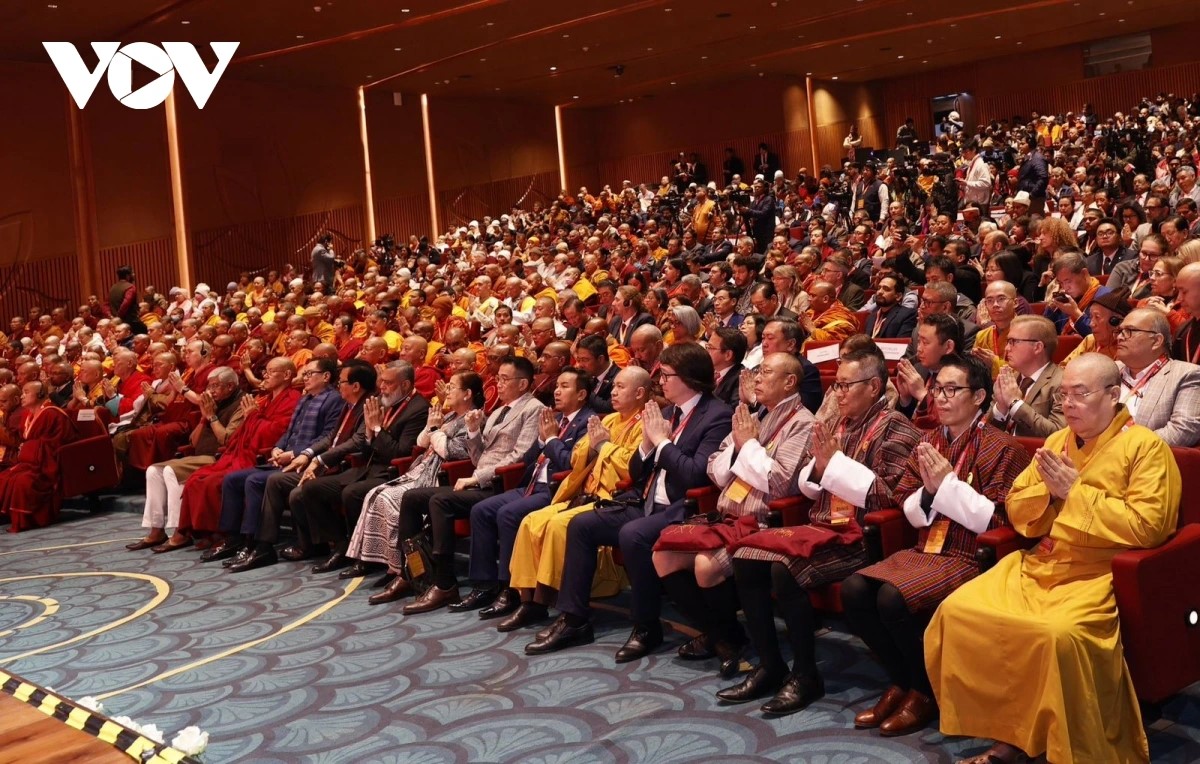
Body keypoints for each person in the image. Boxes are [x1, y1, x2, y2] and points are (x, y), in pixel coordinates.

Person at [927, 353, 1181, 764]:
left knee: (1056, 634)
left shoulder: (1147, 448)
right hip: (1043, 561)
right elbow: (1017, 508)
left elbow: (1149, 526)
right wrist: (1048, 492)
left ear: (1113, 395)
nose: (1068, 404)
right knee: (959, 611)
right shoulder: (1055, 441)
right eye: (1063, 395)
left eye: (1080, 393)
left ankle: (1066, 744)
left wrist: (1075, 493)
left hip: (1099, 570)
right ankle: (1009, 734)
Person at [716, 349, 920, 714]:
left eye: (845, 385)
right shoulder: (839, 423)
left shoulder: (897, 427)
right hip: (823, 525)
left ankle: (806, 675)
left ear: (874, 387)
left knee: (784, 569)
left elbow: (891, 496)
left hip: (862, 535)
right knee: (745, 557)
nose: (837, 393)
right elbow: (808, 484)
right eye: (836, 385)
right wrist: (822, 468)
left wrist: (834, 465)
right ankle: (771, 665)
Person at [841, 354, 1030, 737]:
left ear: (979, 397)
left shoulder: (1004, 447)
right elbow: (908, 506)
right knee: (854, 589)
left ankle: (925, 692)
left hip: (969, 554)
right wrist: (931, 491)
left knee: (891, 598)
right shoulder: (929, 441)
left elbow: (999, 521)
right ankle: (902, 679)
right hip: (926, 546)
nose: (940, 398)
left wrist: (947, 485)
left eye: (951, 390)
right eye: (937, 389)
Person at [525, 343, 732, 660]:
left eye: (667, 375)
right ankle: (574, 620)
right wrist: (647, 446)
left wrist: (660, 442)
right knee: (581, 525)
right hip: (644, 499)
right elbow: (636, 472)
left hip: (683, 507)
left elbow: (694, 475)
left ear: (689, 378)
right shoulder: (666, 413)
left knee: (632, 534)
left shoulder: (716, 415)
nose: (661, 382)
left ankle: (646, 627)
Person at [653, 353, 814, 678]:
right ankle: (724, 636)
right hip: (726, 516)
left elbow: (779, 483)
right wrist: (742, 448)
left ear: (789, 382)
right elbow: (714, 468)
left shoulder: (803, 423)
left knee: (705, 565)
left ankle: (724, 639)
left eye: (766, 372)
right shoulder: (751, 416)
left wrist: (747, 445)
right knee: (663, 555)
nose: (757, 378)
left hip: (764, 522)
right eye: (757, 371)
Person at [384, 356, 545, 613]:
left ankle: (445, 583)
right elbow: (479, 458)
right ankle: (413, 572)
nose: (498, 384)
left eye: (505, 379)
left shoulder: (533, 408)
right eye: (498, 378)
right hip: (480, 480)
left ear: (523, 384)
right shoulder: (497, 412)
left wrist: (476, 478)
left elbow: (521, 456)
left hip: (501, 484)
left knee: (440, 501)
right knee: (412, 497)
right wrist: (472, 431)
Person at [452, 367, 593, 617]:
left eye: (564, 386)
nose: (557, 391)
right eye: (557, 385)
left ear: (581, 394)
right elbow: (528, 459)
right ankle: (484, 585)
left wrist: (551, 440)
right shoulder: (554, 419)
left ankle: (511, 590)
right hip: (531, 484)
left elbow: (571, 464)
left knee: (507, 514)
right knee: (481, 510)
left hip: (557, 490)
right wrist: (541, 441)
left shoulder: (588, 422)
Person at [289, 361, 429, 573]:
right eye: (382, 382)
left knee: (352, 493)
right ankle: (341, 546)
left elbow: (399, 453)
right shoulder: (382, 402)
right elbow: (363, 441)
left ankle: (366, 557)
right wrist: (371, 434)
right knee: (312, 488)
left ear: (406, 385)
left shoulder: (418, 409)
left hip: (392, 473)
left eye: (388, 383)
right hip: (365, 468)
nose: (382, 387)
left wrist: (376, 429)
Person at [353, 372, 481, 602]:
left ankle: (409, 571)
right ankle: (404, 570)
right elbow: (421, 442)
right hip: (421, 469)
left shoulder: (473, 418)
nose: (447, 391)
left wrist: (435, 431)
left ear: (467, 394)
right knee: (376, 494)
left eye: (452, 387)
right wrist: (432, 428)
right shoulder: (449, 415)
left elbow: (452, 451)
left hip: (438, 476)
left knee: (391, 500)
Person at [210, 359, 342, 568]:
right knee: (232, 479)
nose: (305, 378)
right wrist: (277, 448)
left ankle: (256, 544)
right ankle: (234, 538)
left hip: (307, 463)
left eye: (309, 374)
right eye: (304, 374)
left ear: (326, 376)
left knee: (255, 481)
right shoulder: (305, 399)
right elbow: (289, 433)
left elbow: (329, 437)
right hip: (285, 459)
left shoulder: (334, 400)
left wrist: (295, 453)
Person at [129, 367, 245, 552]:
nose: (210, 391)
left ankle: (180, 532)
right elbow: (193, 442)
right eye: (209, 386)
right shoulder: (212, 403)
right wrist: (203, 419)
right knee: (153, 471)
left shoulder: (240, 404)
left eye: (215, 386)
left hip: (220, 458)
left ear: (230, 386)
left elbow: (227, 439)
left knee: (171, 471)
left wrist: (212, 416)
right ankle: (156, 530)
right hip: (199, 456)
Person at [1114, 308, 1200, 446]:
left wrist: (1123, 447)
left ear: (1156, 341)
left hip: (1139, 456)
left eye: (1129, 331)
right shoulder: (1109, 369)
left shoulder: (1187, 374)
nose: (1119, 337)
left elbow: (1182, 431)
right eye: (1120, 331)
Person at [0, 381, 76, 529]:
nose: (22, 396)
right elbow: (24, 440)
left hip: (46, 464)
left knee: (23, 482)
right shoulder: (26, 415)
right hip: (29, 462)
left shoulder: (53, 413)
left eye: (26, 392)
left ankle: (28, 521)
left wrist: (28, 448)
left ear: (40, 394)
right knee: (4, 477)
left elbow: (59, 441)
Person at [988, 316, 1065, 437]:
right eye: (1008, 342)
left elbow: (1058, 435)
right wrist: (1000, 409)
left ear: (1037, 347)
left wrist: (1015, 404)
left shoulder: (1062, 383)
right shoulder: (1009, 379)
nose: (1007, 348)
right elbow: (985, 433)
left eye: (1013, 341)